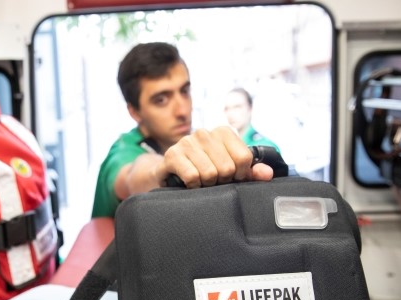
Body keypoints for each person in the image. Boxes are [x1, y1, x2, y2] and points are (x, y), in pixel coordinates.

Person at [91, 42, 273, 218]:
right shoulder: (123, 151)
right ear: (134, 111)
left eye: (184, 91)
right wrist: (160, 171)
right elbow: (132, 176)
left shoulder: (194, 140)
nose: (183, 110)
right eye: (161, 100)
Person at [223, 87, 281, 153]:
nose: (230, 113)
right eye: (226, 108)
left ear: (250, 108)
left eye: (237, 107)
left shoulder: (266, 147)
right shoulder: (227, 146)